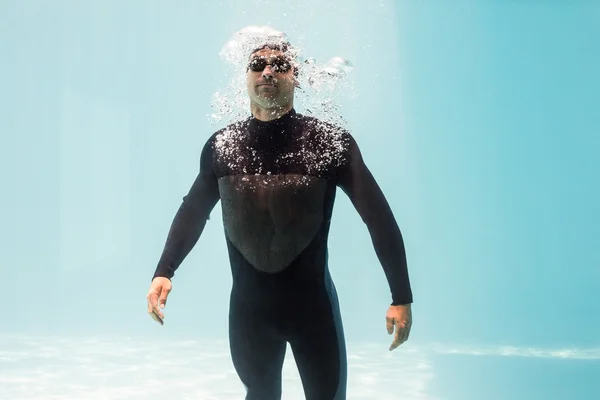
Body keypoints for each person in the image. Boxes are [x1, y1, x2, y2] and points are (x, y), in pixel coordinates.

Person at [146, 40, 413, 400]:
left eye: (279, 64)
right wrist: (164, 270)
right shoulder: (222, 146)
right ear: (246, 76)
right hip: (249, 314)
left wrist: (401, 295)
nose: (267, 71)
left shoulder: (329, 143)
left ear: (296, 77)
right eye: (257, 64)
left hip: (314, 312)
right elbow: (193, 211)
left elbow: (378, 218)